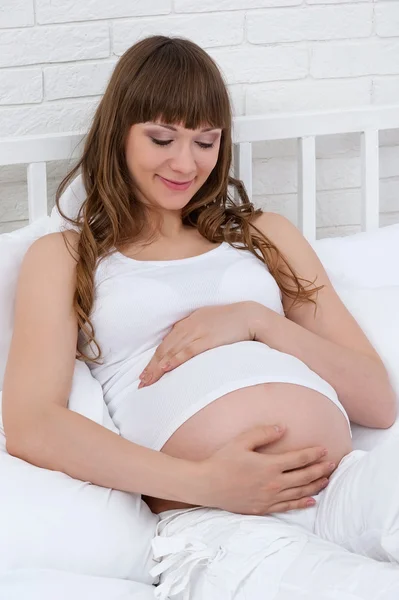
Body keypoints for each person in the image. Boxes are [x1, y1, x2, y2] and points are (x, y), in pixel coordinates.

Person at [3, 34, 399, 599]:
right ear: (118, 134)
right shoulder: (67, 256)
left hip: (340, 483)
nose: (185, 163)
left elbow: (377, 402)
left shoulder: (264, 235)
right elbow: (32, 424)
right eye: (162, 138)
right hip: (217, 523)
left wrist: (257, 321)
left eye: (205, 142)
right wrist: (205, 483)